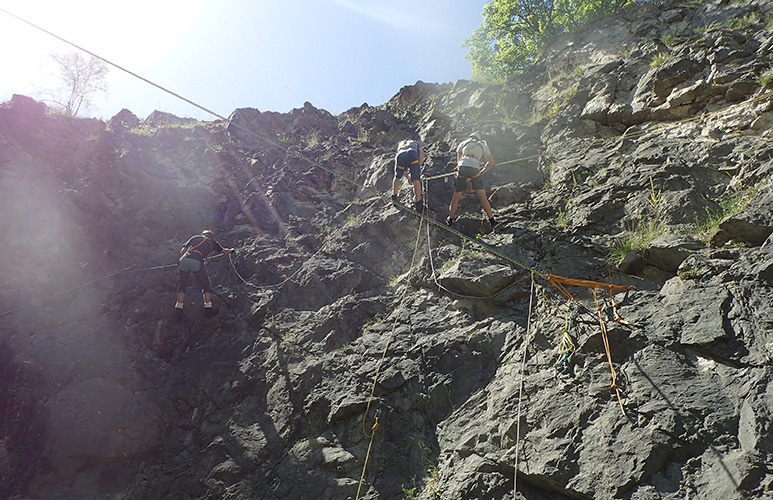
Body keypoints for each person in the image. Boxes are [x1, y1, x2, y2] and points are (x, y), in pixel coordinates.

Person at [175, 229, 234, 317]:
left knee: (182, 285)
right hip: (196, 262)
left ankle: (178, 309)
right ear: (211, 236)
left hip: (183, 260)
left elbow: (182, 251)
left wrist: (188, 264)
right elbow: (224, 251)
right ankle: (208, 309)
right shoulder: (213, 242)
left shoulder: (195, 238)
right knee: (206, 285)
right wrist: (232, 250)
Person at [446, 132, 497, 227]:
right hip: (475, 169)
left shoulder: (463, 143)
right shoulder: (482, 144)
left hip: (462, 167)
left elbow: (459, 161)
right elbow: (491, 162)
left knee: (456, 196)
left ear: (469, 137)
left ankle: (450, 219)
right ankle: (492, 220)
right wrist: (481, 172)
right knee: (482, 196)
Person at [392, 139, 425, 212]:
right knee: (416, 180)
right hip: (412, 153)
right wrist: (418, 166)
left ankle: (394, 197)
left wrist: (407, 176)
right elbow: (421, 154)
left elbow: (403, 170)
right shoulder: (416, 143)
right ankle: (418, 203)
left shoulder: (401, 144)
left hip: (399, 156)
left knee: (397, 177)